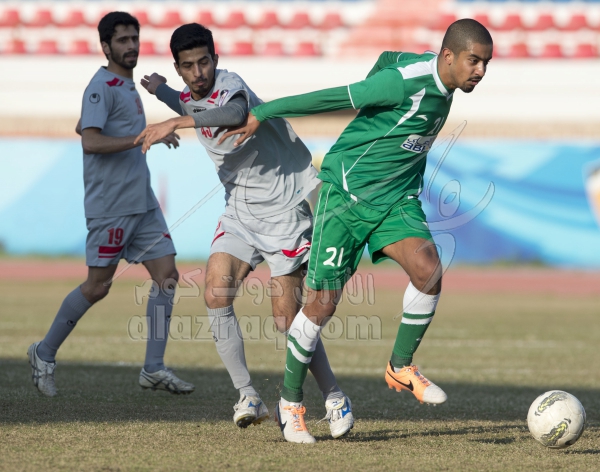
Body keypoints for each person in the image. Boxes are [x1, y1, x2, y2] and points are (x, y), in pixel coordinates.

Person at [219, 19, 494, 443]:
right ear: (448, 56)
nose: (480, 71)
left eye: (486, 63)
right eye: (474, 61)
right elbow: (333, 97)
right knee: (321, 306)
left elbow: (387, 57)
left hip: (395, 200)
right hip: (346, 197)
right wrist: (263, 112)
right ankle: (290, 404)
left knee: (429, 270)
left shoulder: (443, 81)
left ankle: (400, 366)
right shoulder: (403, 84)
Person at [134, 23, 353, 437]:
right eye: (188, 66)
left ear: (215, 59)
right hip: (239, 212)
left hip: (285, 210)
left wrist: (175, 121)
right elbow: (184, 98)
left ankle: (335, 396)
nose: (198, 72)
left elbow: (232, 114)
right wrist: (160, 89)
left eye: (204, 62)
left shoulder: (231, 87)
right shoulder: (188, 95)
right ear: (179, 68)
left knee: (287, 320)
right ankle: (248, 394)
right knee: (215, 293)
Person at [27, 12, 193, 398]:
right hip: (111, 206)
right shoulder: (100, 86)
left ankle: (153, 367)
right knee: (97, 286)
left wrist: (143, 134)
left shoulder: (126, 84)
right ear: (106, 46)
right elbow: (89, 141)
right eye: (122, 40)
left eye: (134, 38)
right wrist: (143, 137)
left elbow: (86, 125)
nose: (131, 46)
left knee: (167, 276)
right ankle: (43, 353)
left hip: (142, 203)